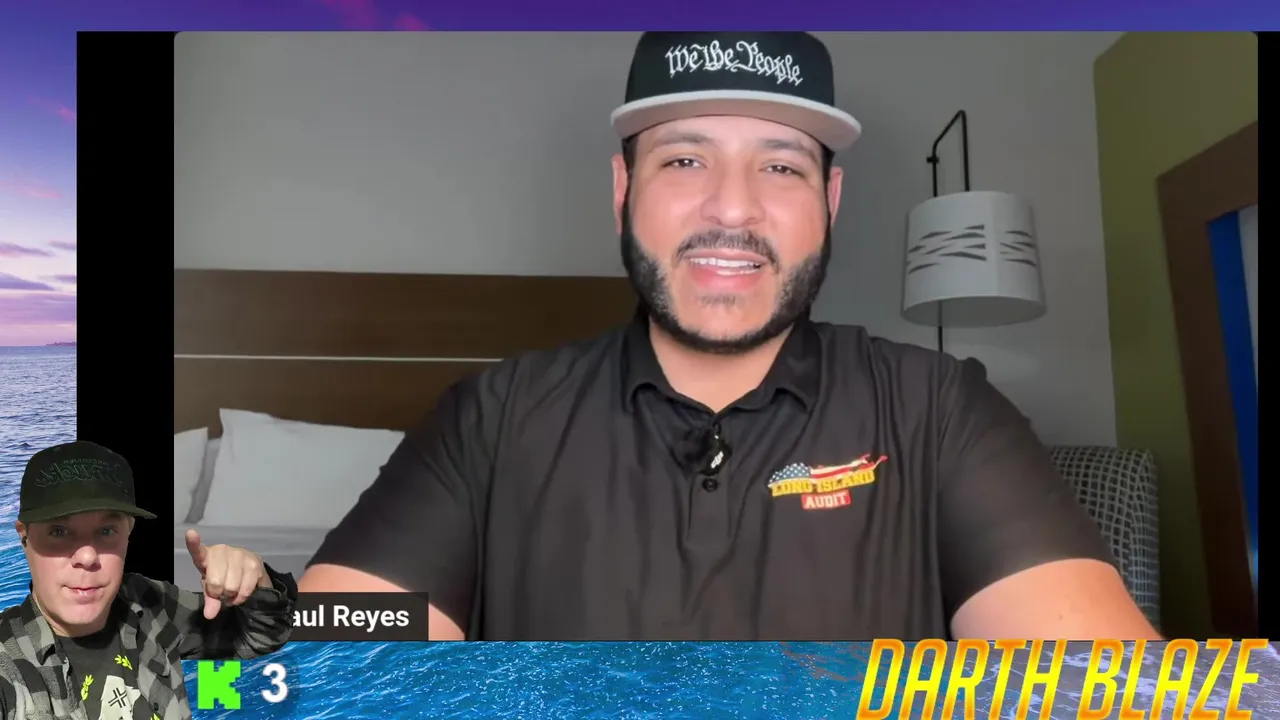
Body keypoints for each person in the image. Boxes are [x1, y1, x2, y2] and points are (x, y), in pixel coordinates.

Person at [300, 32, 1162, 642]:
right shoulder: (492, 416)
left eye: (781, 165)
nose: (734, 207)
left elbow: (1095, 679)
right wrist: (250, 637)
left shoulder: (940, 409)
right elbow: (337, 658)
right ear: (622, 189)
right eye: (684, 159)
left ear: (829, 201)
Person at [0, 441, 298, 719]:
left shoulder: (149, 603)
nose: (88, 556)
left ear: (128, 532)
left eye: (106, 531)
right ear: (24, 536)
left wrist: (256, 581)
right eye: (59, 532)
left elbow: (262, 638)